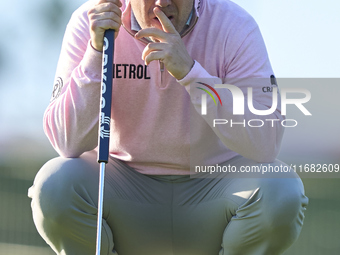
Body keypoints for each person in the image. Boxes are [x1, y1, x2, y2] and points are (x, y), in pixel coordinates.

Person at [28, 0, 308, 254]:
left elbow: (266, 141)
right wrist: (95, 53)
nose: (163, 3)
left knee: (280, 187)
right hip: (122, 190)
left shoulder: (235, 25)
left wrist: (191, 73)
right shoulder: (93, 20)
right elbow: (67, 141)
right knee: (55, 184)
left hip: (214, 191)